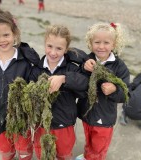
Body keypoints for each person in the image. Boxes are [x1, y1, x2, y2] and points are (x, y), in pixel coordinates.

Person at [0, 7, 40, 160]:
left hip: (21, 119)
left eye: (6, 34)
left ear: (15, 33)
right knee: (5, 150)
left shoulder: (25, 62)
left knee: (24, 149)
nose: (2, 40)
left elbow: (33, 88)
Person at [30, 24, 88, 160]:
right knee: (42, 153)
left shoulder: (71, 69)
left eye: (59, 48)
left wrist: (64, 79)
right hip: (41, 124)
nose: (53, 52)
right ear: (44, 44)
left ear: (66, 49)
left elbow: (84, 84)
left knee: (64, 153)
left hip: (64, 123)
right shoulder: (37, 70)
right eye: (49, 46)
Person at [76, 22, 130, 160]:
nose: (101, 46)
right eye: (97, 42)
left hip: (104, 118)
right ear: (90, 43)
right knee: (89, 139)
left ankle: (94, 157)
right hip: (86, 113)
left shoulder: (119, 66)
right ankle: (88, 155)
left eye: (106, 42)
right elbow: (78, 80)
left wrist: (114, 89)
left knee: (99, 147)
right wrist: (83, 67)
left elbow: (125, 94)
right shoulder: (88, 60)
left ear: (114, 44)